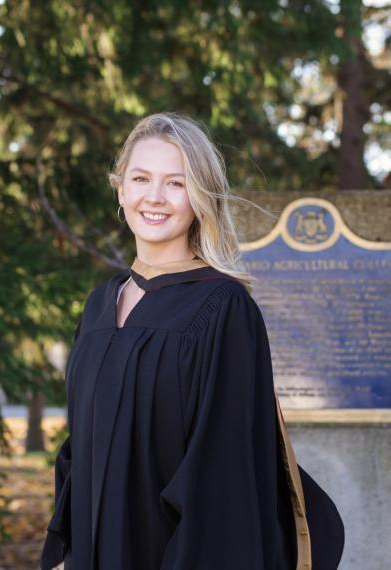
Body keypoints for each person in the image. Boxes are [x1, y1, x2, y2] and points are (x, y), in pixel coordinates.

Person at [41, 112, 344, 570]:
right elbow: (78, 447)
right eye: (140, 178)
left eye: (176, 183)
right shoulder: (100, 305)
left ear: (200, 198)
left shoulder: (222, 308)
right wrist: (64, 551)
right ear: (121, 190)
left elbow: (223, 476)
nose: (155, 197)